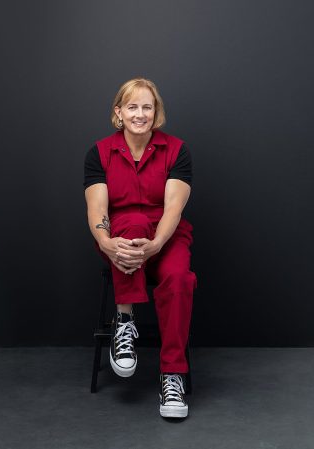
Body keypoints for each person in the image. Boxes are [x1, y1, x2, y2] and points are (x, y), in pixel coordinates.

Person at [84, 78, 195, 419]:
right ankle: (125, 321)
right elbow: (98, 210)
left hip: (167, 236)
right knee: (129, 223)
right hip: (119, 240)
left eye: (148, 107)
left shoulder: (177, 150)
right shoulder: (100, 152)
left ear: (156, 112)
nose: (141, 114)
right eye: (133, 106)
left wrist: (157, 244)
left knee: (180, 279)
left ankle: (172, 374)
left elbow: (174, 209)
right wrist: (105, 241)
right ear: (119, 112)